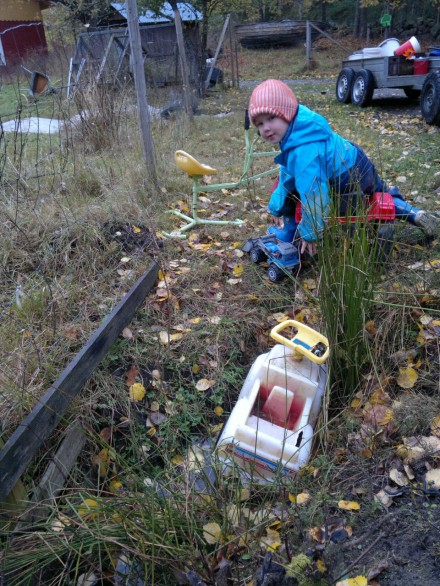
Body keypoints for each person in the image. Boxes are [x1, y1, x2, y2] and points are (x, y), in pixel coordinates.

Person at [248, 79, 437, 255]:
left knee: (305, 192)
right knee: (378, 193)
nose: (265, 128)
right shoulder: (300, 130)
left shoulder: (304, 149)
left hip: (347, 176)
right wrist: (275, 206)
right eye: (259, 124)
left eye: (271, 118)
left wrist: (311, 231)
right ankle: (412, 212)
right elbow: (288, 173)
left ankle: (290, 231)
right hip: (354, 156)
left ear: (286, 112)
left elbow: (314, 192)